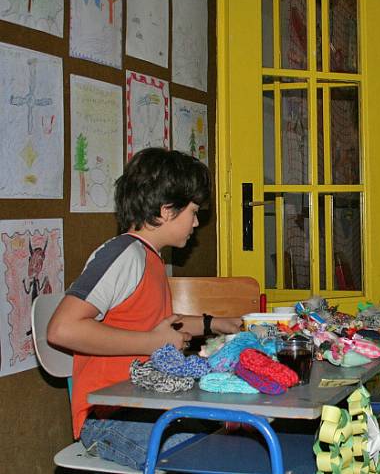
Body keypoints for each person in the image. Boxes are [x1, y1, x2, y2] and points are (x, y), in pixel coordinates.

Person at [47, 148, 242, 470]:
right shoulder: (124, 255)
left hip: (147, 403)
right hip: (109, 417)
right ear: (166, 210)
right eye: (193, 211)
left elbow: (154, 325)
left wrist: (215, 323)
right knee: (210, 462)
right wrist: (152, 343)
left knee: (236, 437)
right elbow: (62, 329)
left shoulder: (151, 258)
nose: (196, 222)